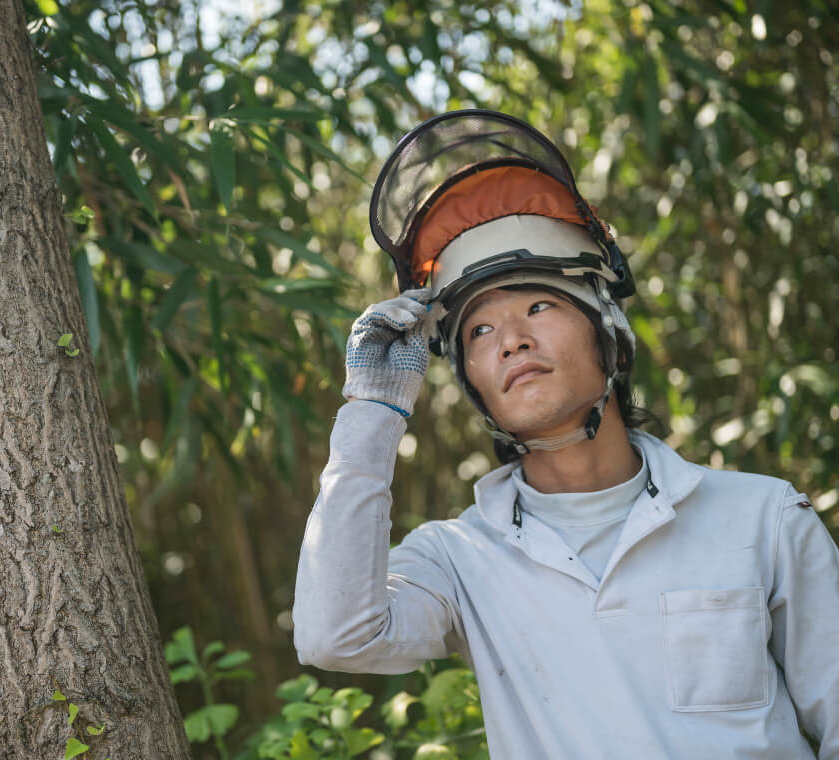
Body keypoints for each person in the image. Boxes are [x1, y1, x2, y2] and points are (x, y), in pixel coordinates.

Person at [293, 110, 839, 758]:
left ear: (607, 332)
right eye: (480, 331)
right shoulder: (459, 557)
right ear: (468, 377)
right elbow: (336, 637)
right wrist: (373, 410)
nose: (513, 340)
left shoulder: (763, 517)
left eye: (539, 306)